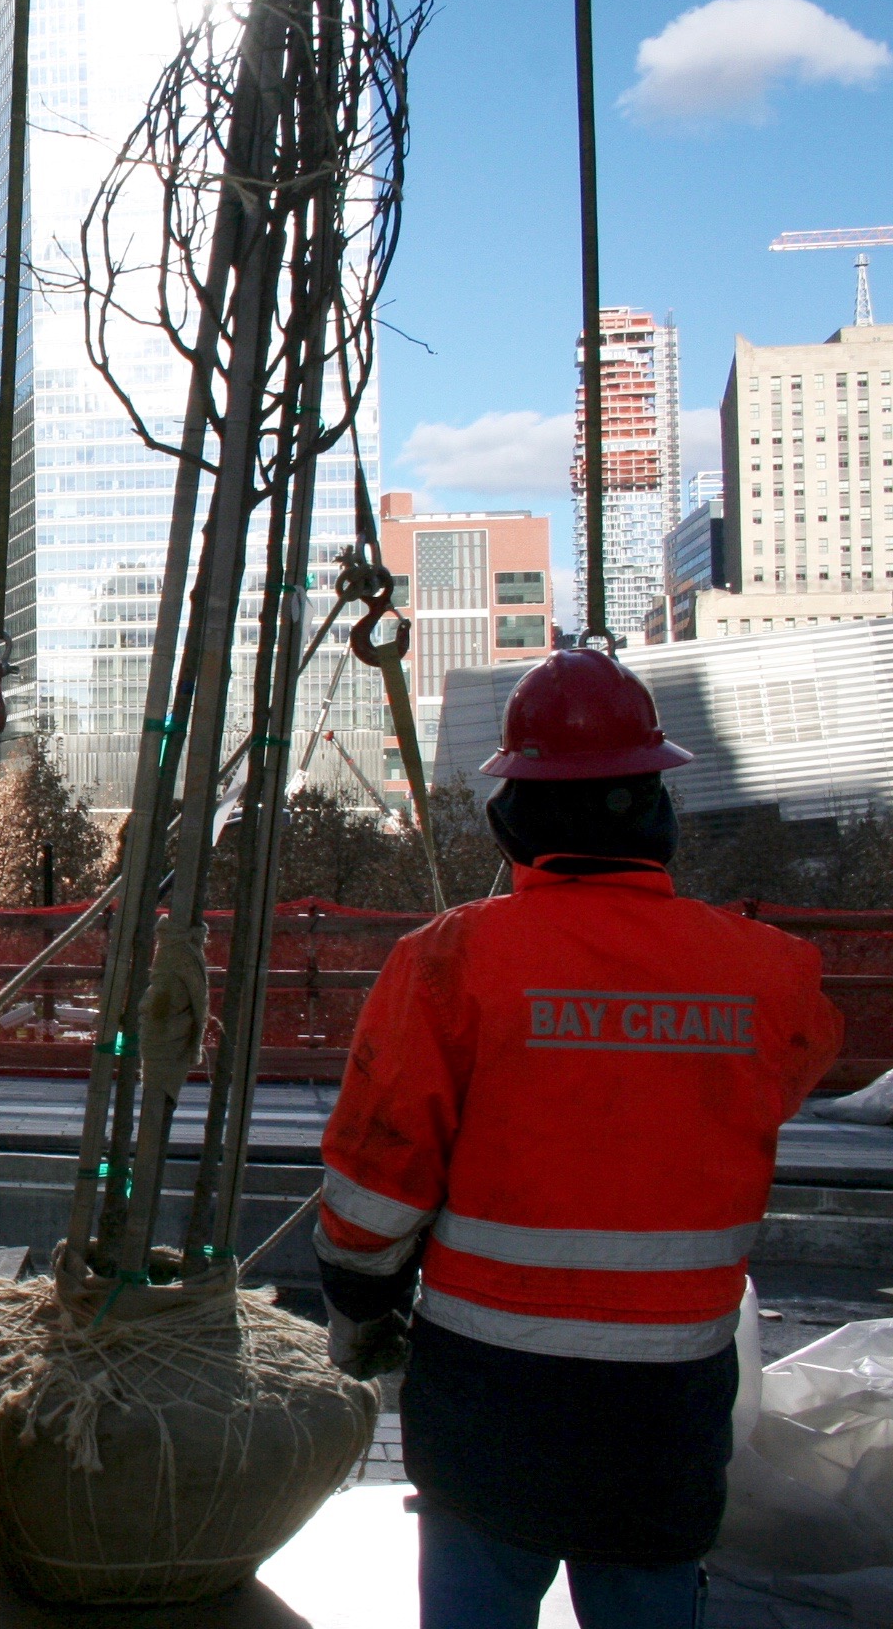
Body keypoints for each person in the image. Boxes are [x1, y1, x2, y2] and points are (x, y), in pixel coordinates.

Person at [315, 649, 842, 1629]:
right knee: (646, 1599)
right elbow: (789, 1073)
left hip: (488, 1398)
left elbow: (373, 1191)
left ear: (513, 816)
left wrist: (360, 1300)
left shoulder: (447, 961)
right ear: (658, 811)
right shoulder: (770, 974)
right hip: (668, 1407)